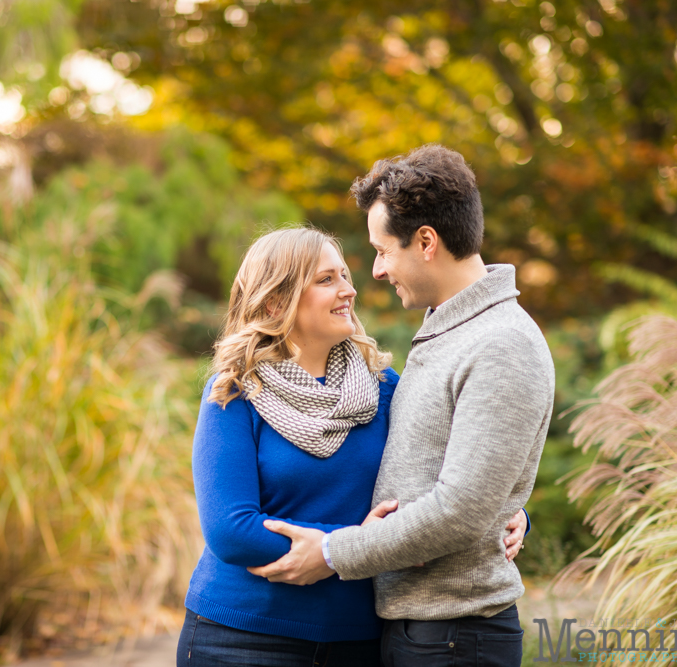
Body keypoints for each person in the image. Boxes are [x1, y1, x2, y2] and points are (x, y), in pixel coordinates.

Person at [247, 145, 555, 667]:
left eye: (383, 250)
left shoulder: (501, 342)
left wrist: (330, 553)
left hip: (455, 636)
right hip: (420, 628)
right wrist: (508, 508)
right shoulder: (451, 328)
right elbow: (459, 475)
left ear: (427, 242)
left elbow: (459, 512)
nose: (376, 271)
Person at [178, 226, 529, 666]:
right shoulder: (233, 392)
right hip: (242, 638)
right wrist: (355, 544)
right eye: (326, 280)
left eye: (345, 276)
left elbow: (452, 482)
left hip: (359, 641)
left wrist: (509, 512)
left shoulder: (385, 390)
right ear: (275, 301)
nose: (349, 290)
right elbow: (231, 531)